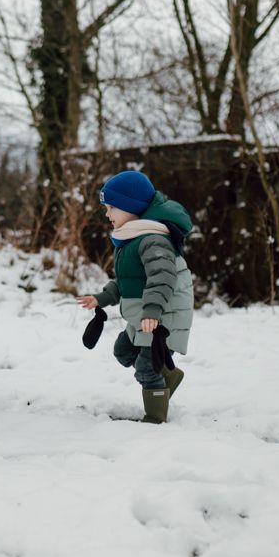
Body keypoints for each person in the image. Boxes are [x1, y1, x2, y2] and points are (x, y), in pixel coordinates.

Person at [77, 170, 194, 424]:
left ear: (131, 207)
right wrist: (101, 298)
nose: (107, 214)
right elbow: (129, 280)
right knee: (123, 350)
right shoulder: (133, 238)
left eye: (112, 208)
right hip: (144, 314)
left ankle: (155, 416)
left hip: (161, 313)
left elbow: (162, 277)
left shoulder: (152, 239)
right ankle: (167, 377)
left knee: (146, 366)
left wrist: (153, 310)